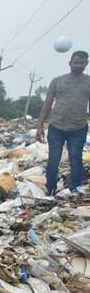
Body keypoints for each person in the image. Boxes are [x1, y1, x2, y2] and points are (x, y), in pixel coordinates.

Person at [37, 50, 90, 194]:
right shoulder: (57, 81)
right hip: (56, 127)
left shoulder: (88, 82)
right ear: (70, 63)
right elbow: (47, 103)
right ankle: (50, 188)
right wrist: (40, 125)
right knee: (54, 158)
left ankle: (75, 188)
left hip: (78, 128)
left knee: (75, 158)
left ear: (86, 64)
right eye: (75, 62)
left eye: (81, 63)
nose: (78, 65)